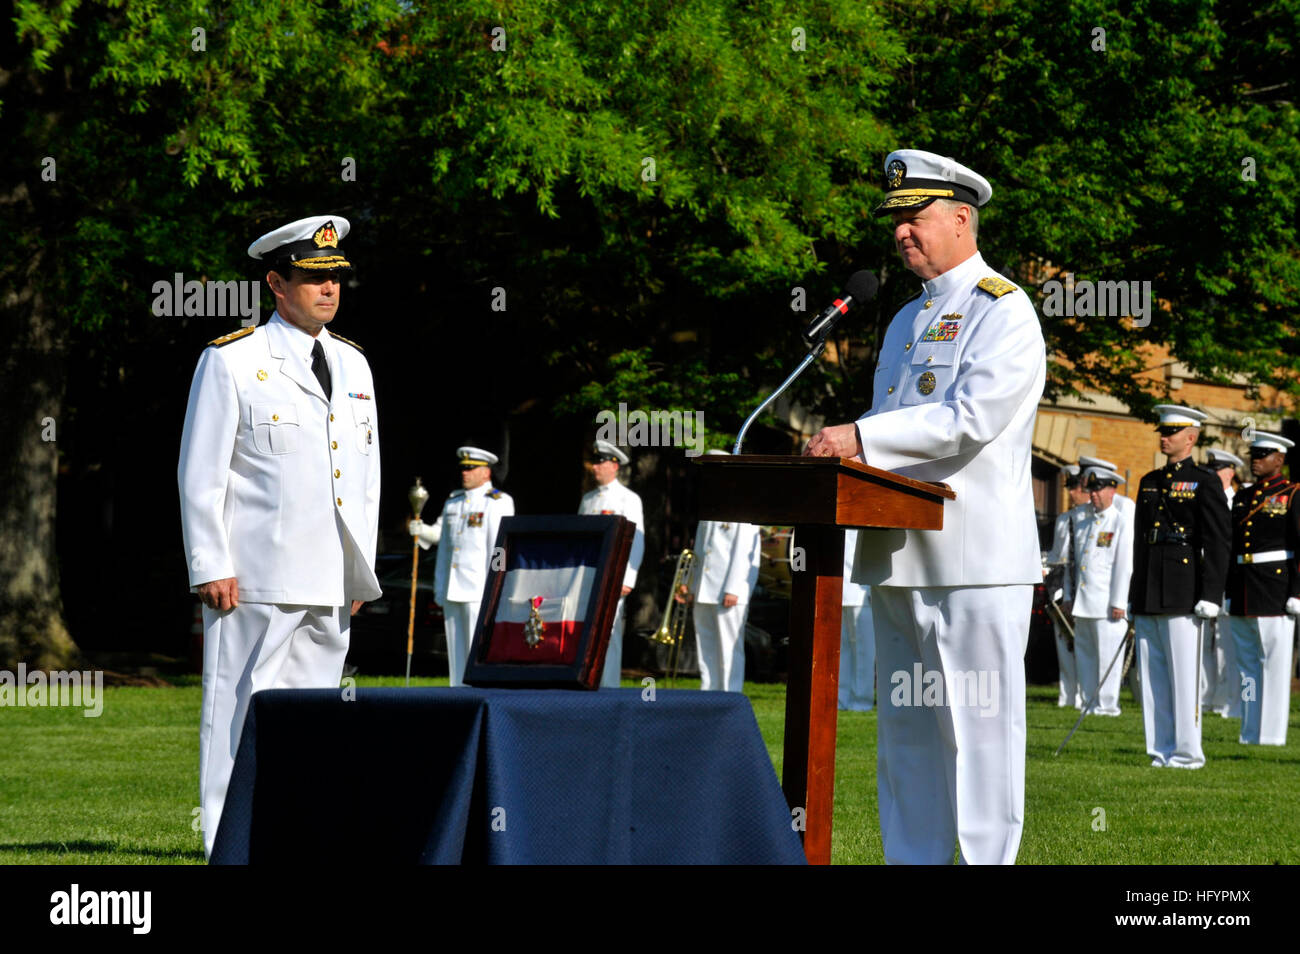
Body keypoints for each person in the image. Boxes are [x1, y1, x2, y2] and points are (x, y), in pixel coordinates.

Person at [805, 149, 1046, 864]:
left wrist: (860, 437)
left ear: (963, 217)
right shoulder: (905, 319)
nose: (902, 232)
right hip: (897, 556)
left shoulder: (1004, 309)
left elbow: (971, 418)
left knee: (977, 736)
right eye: (896, 221)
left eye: (916, 217)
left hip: (973, 560)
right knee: (907, 740)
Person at [178, 214, 381, 858]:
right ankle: (222, 841)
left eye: (336, 280)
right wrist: (210, 561)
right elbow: (200, 471)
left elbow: (365, 475)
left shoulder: (353, 364)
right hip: (255, 577)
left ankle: (296, 838)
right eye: (311, 279)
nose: (328, 291)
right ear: (275, 283)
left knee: (315, 720)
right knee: (236, 713)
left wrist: (358, 568)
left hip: (328, 577)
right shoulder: (233, 361)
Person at [1129, 405, 1231, 769]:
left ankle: (1188, 753)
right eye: (1162, 430)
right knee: (1153, 676)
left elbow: (1219, 541)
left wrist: (1210, 595)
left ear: (1191, 437)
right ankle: (1160, 748)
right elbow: (1141, 542)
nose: (1164, 436)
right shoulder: (1149, 480)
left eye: (1172, 431)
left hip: (1184, 588)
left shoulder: (1205, 481)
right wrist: (1133, 594)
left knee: (1184, 676)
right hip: (1149, 588)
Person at [412, 447, 514, 686]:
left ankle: (477, 693)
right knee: (456, 654)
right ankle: (458, 693)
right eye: (463, 468)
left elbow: (499, 547)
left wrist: (497, 586)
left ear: (486, 472)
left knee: (475, 651)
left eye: (471, 468)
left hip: (479, 589)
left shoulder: (497, 502)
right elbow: (443, 539)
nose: (465, 473)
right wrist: (422, 531)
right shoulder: (454, 500)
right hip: (453, 587)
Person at [1226, 432, 1298, 745]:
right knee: (1246, 668)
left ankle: (1270, 735)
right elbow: (1231, 548)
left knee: (1274, 666)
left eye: (1263, 454)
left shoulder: (1293, 494)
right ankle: (1249, 730)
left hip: (1275, 589)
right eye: (1253, 453)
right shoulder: (1243, 496)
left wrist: (1297, 592)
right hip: (1244, 587)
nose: (1255, 459)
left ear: (1279, 460)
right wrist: (1228, 591)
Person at [578, 440, 644, 687]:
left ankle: (609, 686)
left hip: (612, 576)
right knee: (587, 633)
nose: (595, 468)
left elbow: (637, 541)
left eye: (600, 462)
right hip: (589, 575)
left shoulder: (628, 499)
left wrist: (627, 578)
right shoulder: (588, 499)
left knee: (610, 633)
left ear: (614, 466)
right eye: (594, 462)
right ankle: (588, 682)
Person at [1070, 467, 1134, 716]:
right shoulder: (1085, 521)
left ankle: (1107, 705)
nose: (1093, 495)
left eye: (1098, 490)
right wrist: (1069, 596)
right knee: (1085, 656)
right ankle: (1087, 702)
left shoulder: (1120, 521)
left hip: (1107, 604)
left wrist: (1119, 601)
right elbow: (1076, 565)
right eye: (1091, 490)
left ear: (1112, 490)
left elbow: (1123, 564)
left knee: (1108, 658)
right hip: (1084, 602)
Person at [1202, 447, 1244, 717]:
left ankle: (1230, 702)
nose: (1212, 476)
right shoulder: (1204, 500)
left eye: (1216, 471)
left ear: (1229, 473)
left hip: (1229, 582)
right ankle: (1206, 698)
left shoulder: (1238, 503)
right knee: (1204, 643)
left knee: (1228, 644)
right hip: (1204, 581)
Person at [1044, 464, 1090, 708]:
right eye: (1070, 487)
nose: (1072, 493)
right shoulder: (1064, 519)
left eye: (1076, 487)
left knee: (1083, 644)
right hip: (1063, 586)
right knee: (1064, 641)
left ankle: (1084, 694)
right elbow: (1057, 556)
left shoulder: (1092, 519)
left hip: (1085, 588)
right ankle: (1067, 694)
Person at [839, 528, 875, 711]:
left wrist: (871, 588)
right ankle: (840, 698)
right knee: (841, 649)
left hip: (861, 591)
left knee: (863, 651)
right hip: (840, 588)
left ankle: (861, 700)